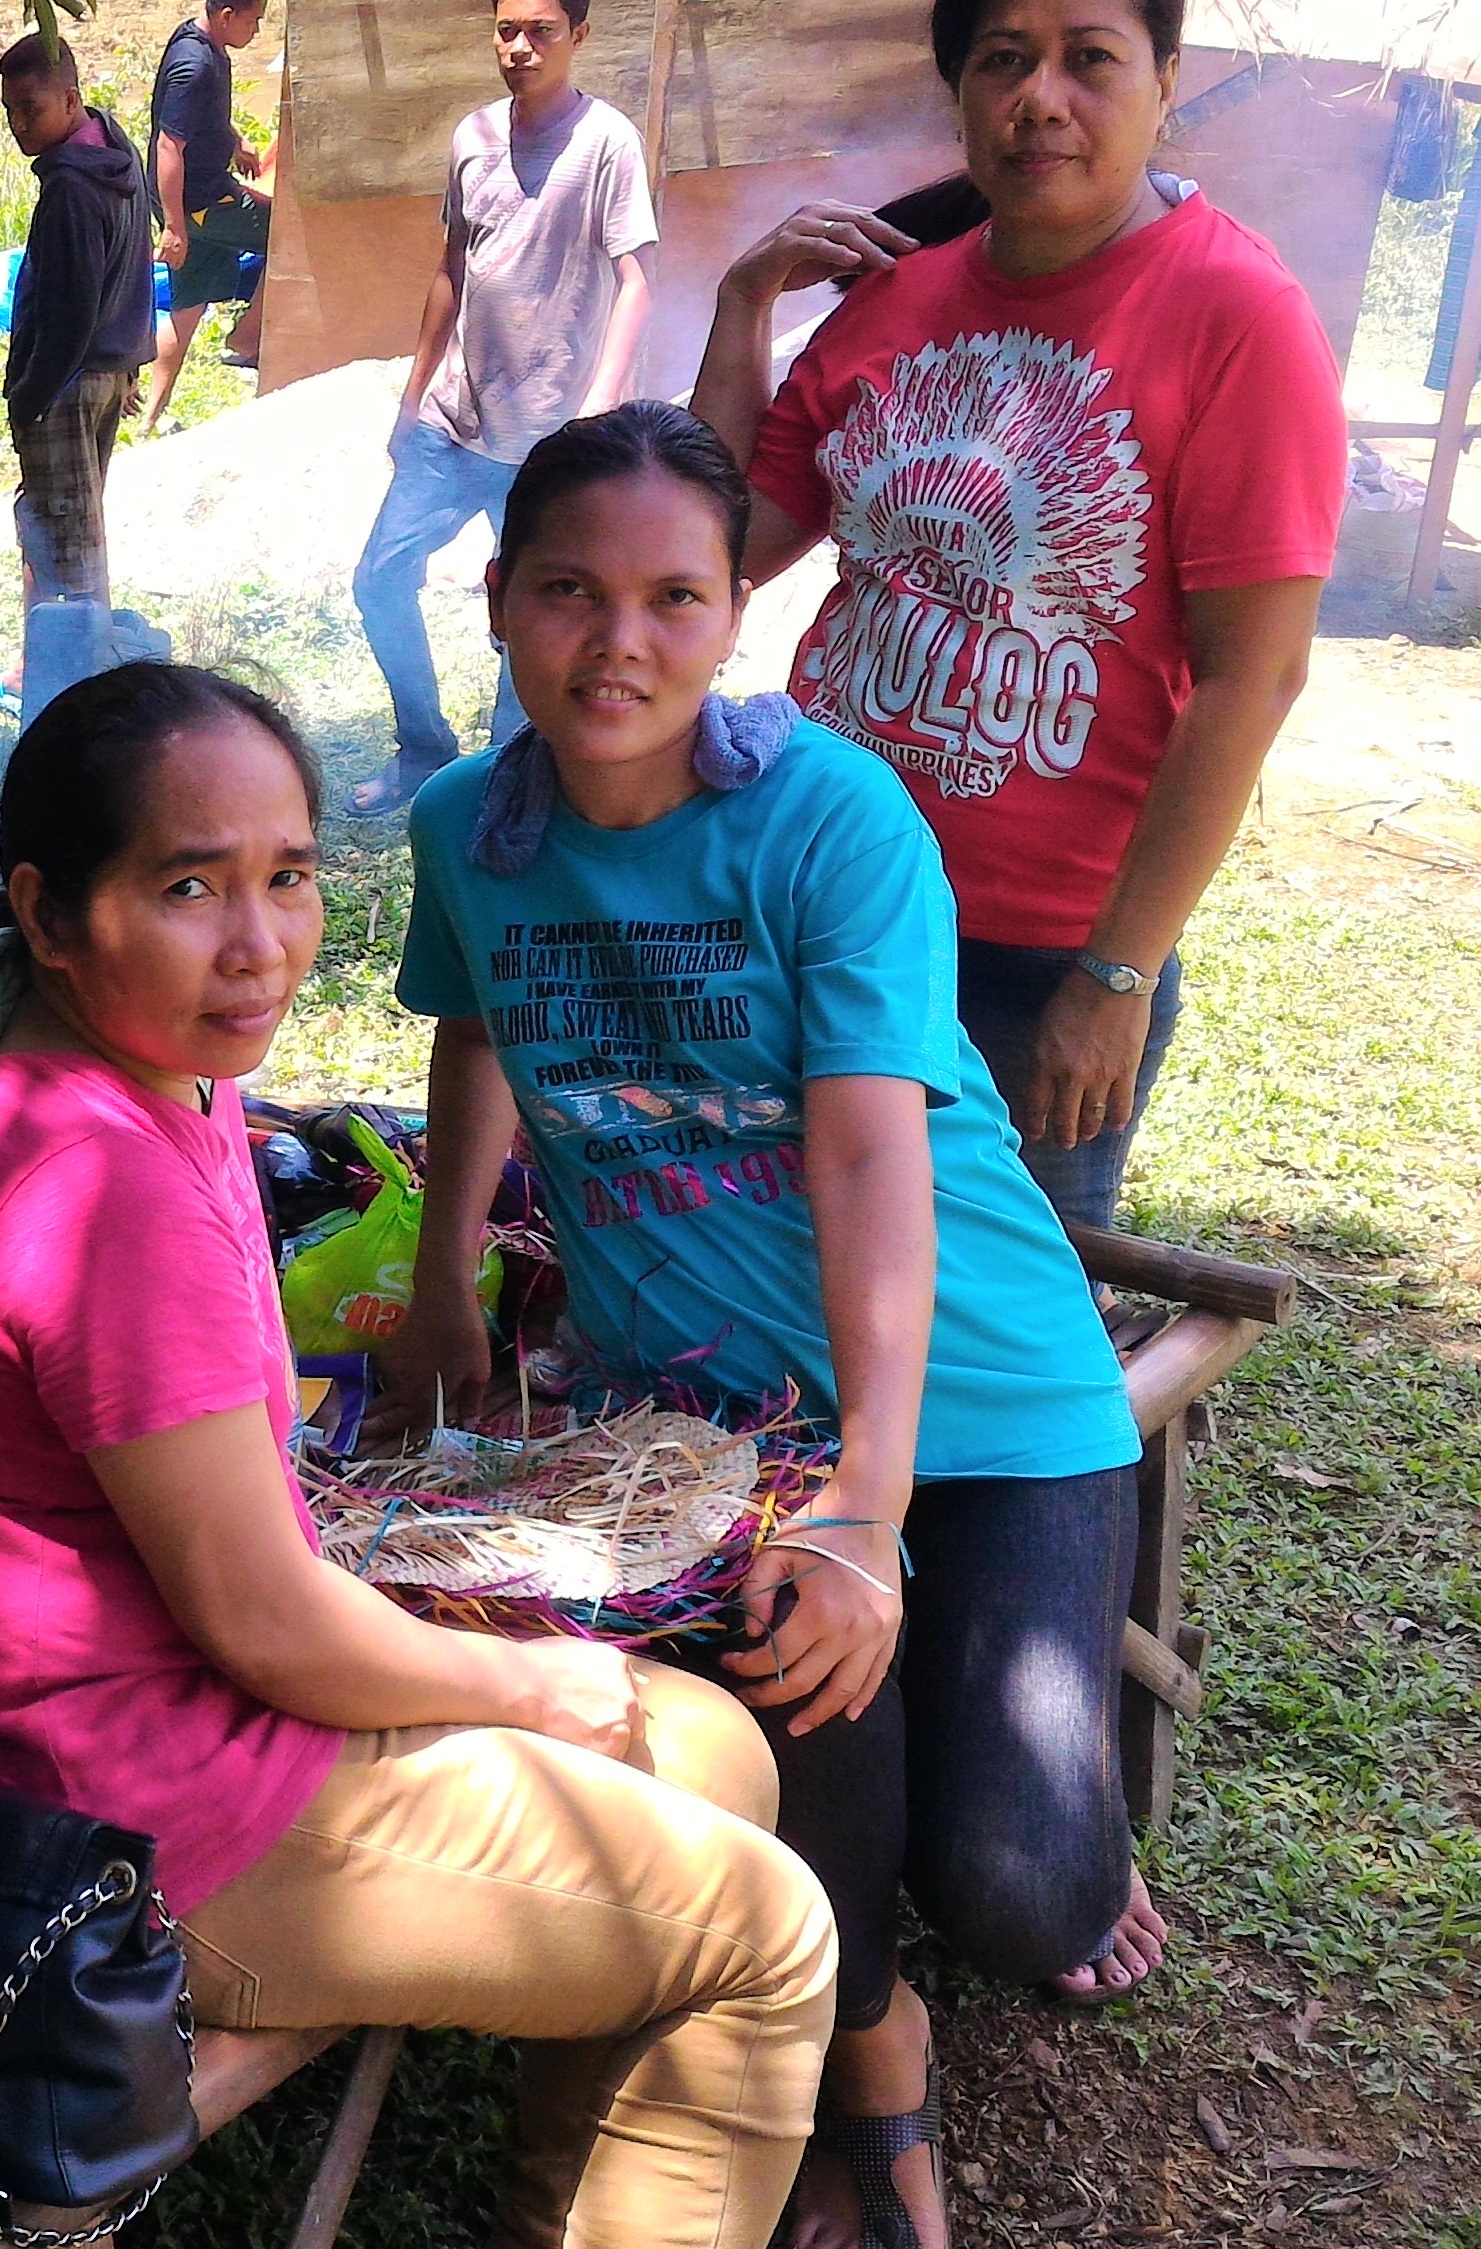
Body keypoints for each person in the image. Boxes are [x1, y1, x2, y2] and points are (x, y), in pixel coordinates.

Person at [0, 661, 838, 2249]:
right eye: (188, 887)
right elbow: (262, 1621)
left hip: (104, 1738)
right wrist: (524, 1683)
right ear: (47, 911)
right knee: (768, 1935)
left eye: (289, 876)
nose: (259, 943)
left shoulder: (61, 1068)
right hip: (146, 1829)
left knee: (709, 1747)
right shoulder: (102, 1186)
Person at [379, 404, 1156, 2249]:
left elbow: (868, 1150)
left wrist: (870, 1501)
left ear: (737, 614)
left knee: (1022, 1888)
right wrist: (443, 1278)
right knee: (811, 1784)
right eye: (566, 590)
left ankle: (1027, 1785)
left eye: (672, 596)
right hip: (708, 1425)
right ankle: (872, 2056)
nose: (616, 642)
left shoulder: (828, 815)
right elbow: (475, 1023)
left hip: (978, 1387)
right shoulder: (466, 826)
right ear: (496, 599)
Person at [689, 0, 1344, 1231]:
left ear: (1164, 80)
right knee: (788, 1272)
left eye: (1088, 58)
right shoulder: (892, 296)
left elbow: (1251, 677)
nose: (1039, 98)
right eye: (1002, 61)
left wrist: (1115, 973)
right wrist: (742, 308)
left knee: (1003, 1320)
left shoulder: (1235, 317)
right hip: (817, 896)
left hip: (1038, 954)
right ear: (959, 91)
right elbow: (708, 557)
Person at [346, 0, 657, 819]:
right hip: (454, 422)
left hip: (548, 440)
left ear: (577, 38)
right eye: (507, 30)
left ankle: (507, 776)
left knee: (529, 613)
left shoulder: (606, 143)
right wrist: (412, 396)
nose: (520, 47)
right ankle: (422, 747)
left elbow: (634, 282)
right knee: (378, 578)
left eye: (541, 32)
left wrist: (600, 403)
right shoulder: (473, 136)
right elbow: (451, 269)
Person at [0, 33, 156, 614]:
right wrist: (130, 360)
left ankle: (72, 659)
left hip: (67, 386)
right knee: (75, 532)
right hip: (109, 371)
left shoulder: (70, 188)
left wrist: (28, 398)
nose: (19, 125)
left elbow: (70, 316)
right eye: (10, 111)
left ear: (70, 100)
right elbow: (134, 263)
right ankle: (50, 653)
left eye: (31, 109)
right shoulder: (114, 145)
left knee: (65, 554)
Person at [140, 0, 273, 434]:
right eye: (253, 21)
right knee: (288, 236)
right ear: (227, 16)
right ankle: (246, 338)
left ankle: (148, 418)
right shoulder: (194, 67)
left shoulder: (200, 41)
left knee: (187, 307)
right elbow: (168, 146)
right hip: (199, 204)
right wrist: (174, 227)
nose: (256, 31)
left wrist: (235, 141)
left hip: (197, 199)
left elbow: (200, 118)